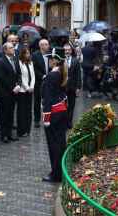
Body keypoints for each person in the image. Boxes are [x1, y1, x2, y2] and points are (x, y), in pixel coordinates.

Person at [41, 48, 69, 183]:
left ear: (55, 60)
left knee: (54, 145)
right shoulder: (61, 72)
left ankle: (55, 174)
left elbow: (48, 98)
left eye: (50, 59)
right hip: (61, 110)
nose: (49, 61)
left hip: (53, 113)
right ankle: (61, 171)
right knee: (60, 142)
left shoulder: (52, 75)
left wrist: (46, 117)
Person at [0, 42, 21, 143]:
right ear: (5, 50)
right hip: (5, 92)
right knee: (4, 114)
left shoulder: (15, 59)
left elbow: (18, 73)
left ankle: (9, 134)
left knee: (11, 113)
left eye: (13, 47)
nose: (13, 49)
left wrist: (18, 84)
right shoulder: (0, 61)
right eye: (10, 48)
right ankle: (4, 135)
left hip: (14, 91)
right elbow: (2, 77)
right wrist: (12, 87)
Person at [17, 47, 35, 137]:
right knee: (22, 111)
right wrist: (27, 87)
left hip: (30, 91)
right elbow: (21, 77)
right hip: (22, 91)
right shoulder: (20, 63)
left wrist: (31, 87)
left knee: (28, 111)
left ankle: (28, 129)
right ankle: (21, 130)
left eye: (29, 53)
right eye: (26, 53)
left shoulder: (31, 63)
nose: (28, 55)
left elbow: (33, 76)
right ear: (23, 54)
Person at [32, 39, 50, 128]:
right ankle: (36, 120)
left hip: (50, 81)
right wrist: (42, 76)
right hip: (39, 81)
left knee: (48, 100)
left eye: (47, 44)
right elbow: (34, 68)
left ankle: (48, 118)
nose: (47, 46)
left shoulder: (51, 54)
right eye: (45, 44)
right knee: (37, 100)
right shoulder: (35, 55)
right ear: (41, 46)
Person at [64, 43, 81, 128]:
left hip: (72, 87)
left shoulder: (75, 61)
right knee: (63, 105)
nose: (67, 51)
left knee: (71, 105)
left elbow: (78, 74)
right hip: (63, 87)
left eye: (68, 50)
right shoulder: (61, 60)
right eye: (65, 50)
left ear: (71, 51)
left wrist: (78, 87)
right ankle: (63, 121)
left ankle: (69, 122)